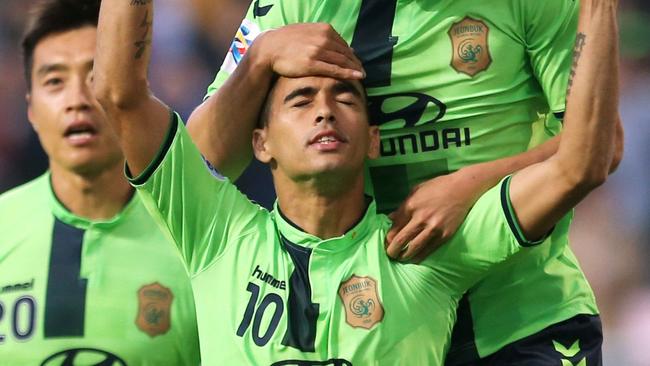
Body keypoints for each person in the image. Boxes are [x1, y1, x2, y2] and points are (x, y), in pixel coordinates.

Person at [94, 0, 619, 364]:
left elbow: (596, 146)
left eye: (343, 99)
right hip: (378, 302)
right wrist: (259, 61)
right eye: (304, 100)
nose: (323, 112)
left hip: (518, 318)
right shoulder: (288, 7)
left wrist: (471, 185)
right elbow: (202, 161)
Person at [0, 0, 200, 364]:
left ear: (132, 94)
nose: (77, 100)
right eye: (55, 81)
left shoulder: (194, 240)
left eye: (95, 78)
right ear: (30, 108)